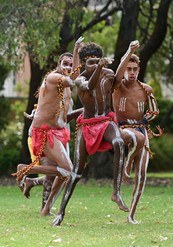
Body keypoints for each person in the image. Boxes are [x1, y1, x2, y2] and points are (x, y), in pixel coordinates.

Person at [52, 42, 129, 226]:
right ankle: (61, 212)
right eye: (90, 63)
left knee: (118, 142)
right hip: (87, 125)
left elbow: (118, 78)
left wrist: (129, 51)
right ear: (84, 64)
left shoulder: (108, 75)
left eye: (97, 61)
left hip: (106, 121)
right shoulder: (80, 80)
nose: (94, 65)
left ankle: (116, 192)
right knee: (77, 172)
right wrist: (99, 65)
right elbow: (90, 85)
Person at [12, 37, 84, 216]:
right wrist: (76, 50)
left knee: (64, 173)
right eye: (65, 63)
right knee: (67, 170)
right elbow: (74, 78)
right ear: (59, 64)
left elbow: (65, 113)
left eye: (70, 64)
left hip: (58, 132)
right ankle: (25, 169)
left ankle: (45, 208)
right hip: (43, 133)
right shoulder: (53, 78)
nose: (68, 67)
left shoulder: (66, 88)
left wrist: (85, 111)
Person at [112, 40, 162, 224]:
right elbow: (118, 75)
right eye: (129, 69)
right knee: (135, 137)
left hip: (141, 129)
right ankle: (126, 165)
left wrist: (146, 119)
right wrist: (129, 51)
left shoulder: (145, 89)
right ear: (125, 69)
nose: (131, 72)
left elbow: (154, 111)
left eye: (134, 69)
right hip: (122, 129)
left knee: (142, 175)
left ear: (139, 70)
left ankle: (131, 215)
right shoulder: (117, 85)